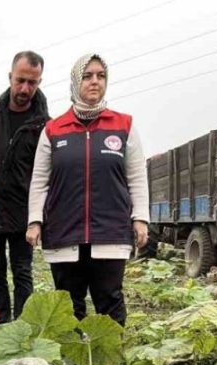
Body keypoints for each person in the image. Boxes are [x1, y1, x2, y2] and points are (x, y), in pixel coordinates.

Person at [26, 54, 149, 326]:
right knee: (69, 305)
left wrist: (140, 217)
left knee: (110, 300)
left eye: (100, 76)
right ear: (75, 81)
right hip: (64, 229)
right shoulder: (53, 129)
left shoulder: (123, 125)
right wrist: (35, 221)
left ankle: (111, 361)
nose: (95, 81)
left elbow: (137, 176)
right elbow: (40, 180)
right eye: (87, 76)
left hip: (110, 230)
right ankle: (72, 360)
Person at [0, 51, 49, 323]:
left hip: (23, 212)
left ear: (39, 82)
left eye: (32, 83)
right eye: (20, 80)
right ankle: (1, 324)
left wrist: (39, 218)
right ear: (10, 76)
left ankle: (22, 327)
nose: (25, 89)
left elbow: (46, 175)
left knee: (22, 272)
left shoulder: (45, 125)